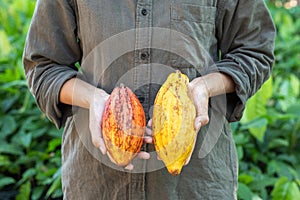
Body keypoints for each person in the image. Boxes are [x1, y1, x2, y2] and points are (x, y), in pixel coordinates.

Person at [23, 0, 275, 199]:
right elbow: (43, 65)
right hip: (97, 184)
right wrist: (92, 98)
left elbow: (254, 51)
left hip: (194, 185)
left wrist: (204, 87)